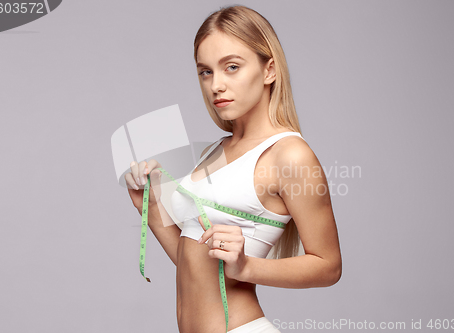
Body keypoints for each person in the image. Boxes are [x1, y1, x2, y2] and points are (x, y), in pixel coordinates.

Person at [125, 5, 341, 333]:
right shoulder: (215, 150)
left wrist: (246, 266)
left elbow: (328, 267)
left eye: (232, 67)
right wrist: (152, 208)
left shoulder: (290, 155)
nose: (216, 85)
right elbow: (195, 266)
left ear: (269, 70)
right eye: (206, 71)